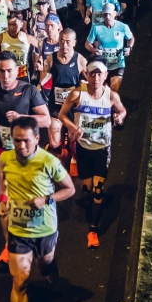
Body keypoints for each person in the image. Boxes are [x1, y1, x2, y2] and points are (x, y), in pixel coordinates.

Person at [0, 116, 75, 302]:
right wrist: (3, 203)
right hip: (18, 230)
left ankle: (55, 281)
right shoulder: (4, 159)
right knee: (19, 281)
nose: (20, 146)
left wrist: (47, 198)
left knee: (46, 265)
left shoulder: (48, 161)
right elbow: (3, 187)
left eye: (25, 141)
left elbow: (69, 189)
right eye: (16, 140)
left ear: (36, 139)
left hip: (44, 229)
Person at [59, 60, 126, 249]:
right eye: (92, 74)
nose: (96, 78)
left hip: (102, 150)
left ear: (105, 76)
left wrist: (119, 117)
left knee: (98, 192)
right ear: (86, 75)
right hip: (83, 149)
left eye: (100, 74)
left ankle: (93, 229)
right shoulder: (77, 95)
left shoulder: (111, 96)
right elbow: (62, 115)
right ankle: (92, 207)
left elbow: (122, 111)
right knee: (86, 190)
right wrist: (73, 127)